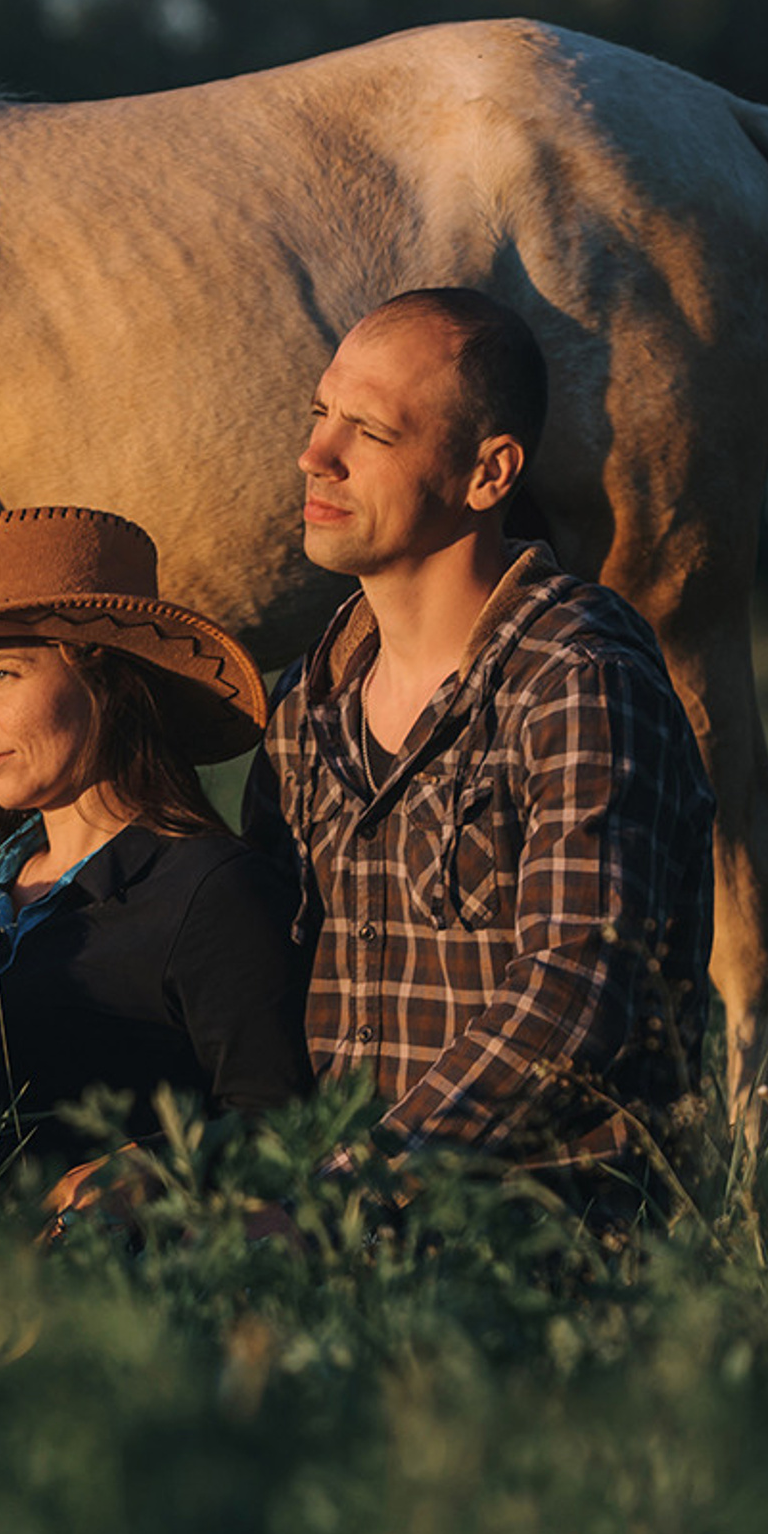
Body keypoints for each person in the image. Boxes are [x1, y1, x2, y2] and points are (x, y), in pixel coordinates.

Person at [245, 288, 715, 1201]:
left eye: (369, 433)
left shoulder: (577, 678)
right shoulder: (306, 703)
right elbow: (263, 984)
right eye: (319, 415)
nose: (315, 456)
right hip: (336, 1236)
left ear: (490, 474)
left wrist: (351, 1191)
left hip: (543, 1236)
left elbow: (578, 987)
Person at [0, 505, 312, 1149]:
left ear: (106, 679)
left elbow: (275, 1119)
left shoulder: (212, 891)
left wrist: (137, 1176)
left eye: (1, 674)